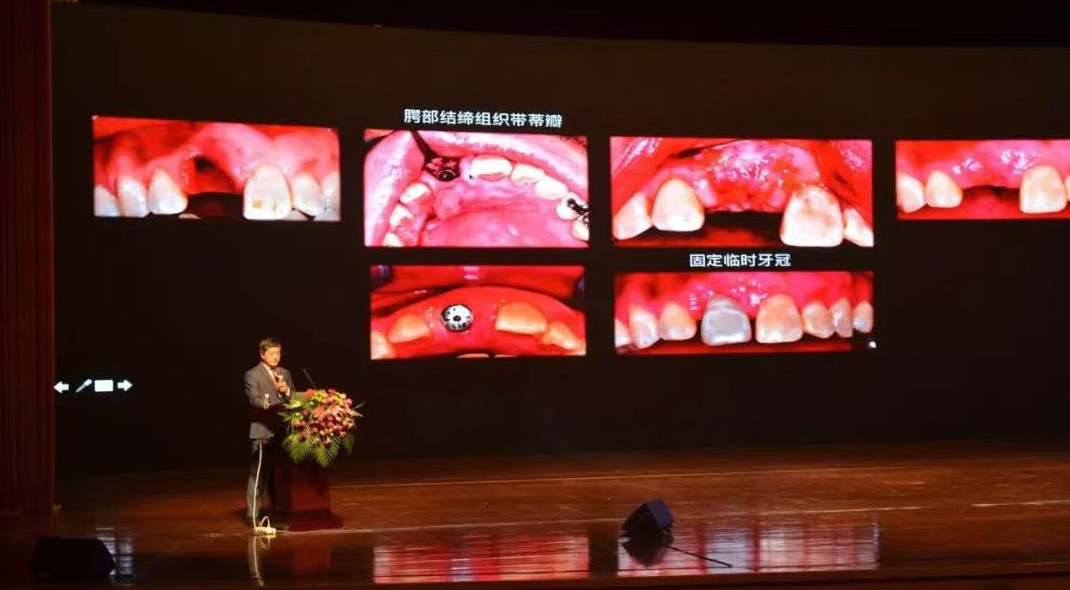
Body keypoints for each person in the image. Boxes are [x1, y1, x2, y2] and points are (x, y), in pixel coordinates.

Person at [244, 337, 296, 526]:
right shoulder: (252, 374)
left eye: (278, 353)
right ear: (262, 354)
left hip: (282, 432)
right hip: (262, 431)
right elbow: (254, 400)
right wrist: (269, 404)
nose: (276, 357)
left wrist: (286, 391)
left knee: (278, 475)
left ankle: (278, 511)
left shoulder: (284, 373)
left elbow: (294, 399)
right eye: (272, 353)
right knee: (258, 474)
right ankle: (253, 515)